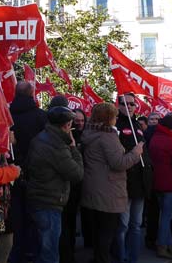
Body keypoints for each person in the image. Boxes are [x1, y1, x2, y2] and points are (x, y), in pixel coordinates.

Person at [80, 103, 143, 263]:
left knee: (98, 230)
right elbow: (119, 163)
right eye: (114, 116)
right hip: (108, 190)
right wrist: (135, 153)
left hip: (94, 187)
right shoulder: (107, 136)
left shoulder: (90, 132)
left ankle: (98, 258)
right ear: (109, 118)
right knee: (107, 232)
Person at [25, 106, 84, 263]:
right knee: (49, 253)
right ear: (66, 125)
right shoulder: (57, 145)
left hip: (40, 198)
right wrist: (73, 148)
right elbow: (77, 173)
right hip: (49, 202)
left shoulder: (42, 137)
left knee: (42, 248)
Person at [9, 81, 46, 263]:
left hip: (12, 171)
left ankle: (16, 251)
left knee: (16, 215)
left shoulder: (6, 114)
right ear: (32, 94)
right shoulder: (41, 117)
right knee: (34, 215)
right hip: (36, 173)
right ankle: (31, 252)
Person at [114, 93, 148, 263]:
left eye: (132, 104)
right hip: (124, 183)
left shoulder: (138, 125)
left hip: (140, 185)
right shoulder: (116, 126)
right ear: (118, 105)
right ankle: (121, 257)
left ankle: (133, 258)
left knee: (136, 225)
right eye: (124, 103)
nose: (129, 106)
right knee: (123, 226)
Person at [149, 112, 172, 259]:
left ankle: (169, 244)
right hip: (170, 182)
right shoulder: (170, 140)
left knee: (164, 215)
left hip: (157, 180)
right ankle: (163, 245)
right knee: (167, 217)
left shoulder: (156, 137)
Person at [60, 108, 86, 263]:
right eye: (76, 121)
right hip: (68, 183)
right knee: (67, 220)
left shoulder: (87, 135)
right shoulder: (64, 139)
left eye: (83, 121)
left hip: (79, 184)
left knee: (72, 219)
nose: (80, 124)